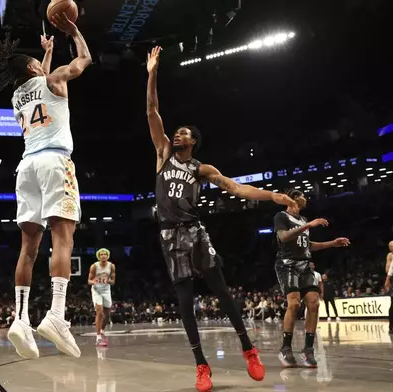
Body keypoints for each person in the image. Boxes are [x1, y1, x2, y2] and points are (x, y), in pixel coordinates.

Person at [146, 46, 291, 391]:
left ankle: (248, 348)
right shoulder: (163, 154)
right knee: (184, 303)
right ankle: (201, 366)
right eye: (176, 132)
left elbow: (238, 189)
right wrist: (151, 72)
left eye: (183, 133)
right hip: (169, 236)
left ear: (193, 142)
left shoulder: (202, 169)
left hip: (194, 232)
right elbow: (152, 110)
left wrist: (271, 196)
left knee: (222, 292)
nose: (177, 135)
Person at [0, 13, 91, 360]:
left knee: (28, 248)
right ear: (34, 68)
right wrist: (74, 32)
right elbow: (83, 61)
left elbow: (39, 81)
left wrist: (45, 53)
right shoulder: (54, 79)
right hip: (55, 162)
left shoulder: (17, 97)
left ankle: (20, 319)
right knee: (63, 239)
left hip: (26, 166)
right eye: (37, 60)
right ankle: (56, 316)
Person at [273, 189, 350, 368]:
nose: (304, 197)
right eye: (300, 194)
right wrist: (308, 226)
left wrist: (332, 243)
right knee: (293, 304)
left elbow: (307, 246)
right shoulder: (281, 216)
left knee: (314, 304)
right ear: (291, 199)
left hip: (305, 264)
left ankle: (308, 350)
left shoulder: (304, 220)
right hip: (287, 263)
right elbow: (283, 237)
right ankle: (285, 348)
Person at [88, 248, 116, 346]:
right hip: (96, 291)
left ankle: (102, 329)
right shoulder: (94, 266)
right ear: (99, 256)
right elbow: (89, 281)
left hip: (106, 290)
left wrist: (107, 281)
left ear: (107, 256)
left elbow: (113, 281)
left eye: (105, 254)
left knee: (107, 313)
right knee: (99, 312)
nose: (103, 256)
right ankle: (98, 336)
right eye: (101, 254)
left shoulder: (111, 266)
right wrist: (95, 281)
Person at [384, 241, 393, 334]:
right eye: (390, 246)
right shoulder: (390, 256)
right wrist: (388, 280)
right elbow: (387, 270)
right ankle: (391, 326)